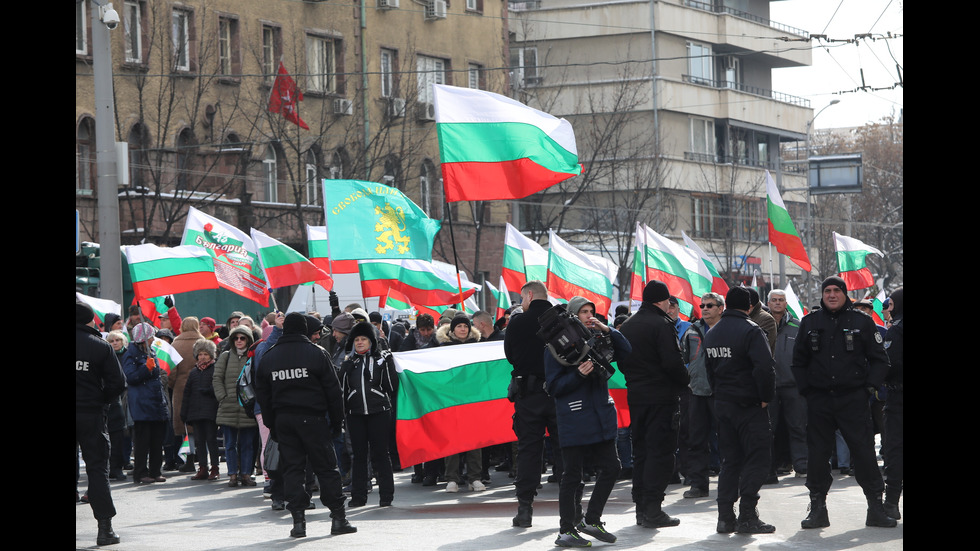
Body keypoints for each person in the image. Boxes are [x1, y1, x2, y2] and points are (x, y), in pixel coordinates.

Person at [791, 276, 896, 529]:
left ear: (845, 294)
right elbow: (798, 362)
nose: (831, 295)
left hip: (853, 399)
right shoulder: (809, 323)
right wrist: (807, 390)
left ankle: (875, 508)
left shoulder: (862, 322)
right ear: (822, 295)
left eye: (837, 290)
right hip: (819, 400)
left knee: (864, 453)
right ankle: (817, 508)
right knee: (817, 455)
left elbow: (880, 360)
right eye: (827, 291)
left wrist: (868, 388)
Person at [254, 312, 356, 538]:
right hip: (313, 419)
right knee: (327, 469)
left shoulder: (270, 357)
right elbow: (333, 391)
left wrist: (273, 424)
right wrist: (336, 422)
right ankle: (338, 518)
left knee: (293, 470)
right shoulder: (317, 353)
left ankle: (298, 522)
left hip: (284, 421)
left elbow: (263, 395)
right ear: (304, 329)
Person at [545, 297, 632, 547]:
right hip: (574, 418)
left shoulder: (598, 339)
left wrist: (608, 329)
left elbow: (627, 351)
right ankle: (566, 530)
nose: (588, 316)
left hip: (601, 416)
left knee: (613, 467)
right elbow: (554, 387)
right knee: (572, 475)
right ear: (572, 315)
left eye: (591, 311)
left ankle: (592, 520)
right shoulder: (554, 347)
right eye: (583, 312)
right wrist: (577, 375)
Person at [617, 280, 690, 528]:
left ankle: (642, 508)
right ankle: (653, 509)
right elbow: (672, 363)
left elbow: (622, 362)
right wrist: (685, 380)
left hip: (636, 397)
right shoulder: (662, 324)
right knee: (661, 453)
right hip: (661, 398)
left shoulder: (627, 326)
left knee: (641, 452)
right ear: (664, 301)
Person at [704, 287, 777, 534]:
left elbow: (709, 372)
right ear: (748, 307)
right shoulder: (752, 330)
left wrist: (720, 395)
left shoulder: (712, 334)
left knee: (730, 461)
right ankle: (747, 515)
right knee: (757, 458)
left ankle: (725, 517)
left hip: (724, 405)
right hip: (750, 406)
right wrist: (765, 398)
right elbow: (765, 368)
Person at [503, 281, 563, 528]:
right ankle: (573, 509)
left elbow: (510, 356)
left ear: (529, 295)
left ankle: (525, 508)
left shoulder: (518, 322)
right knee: (566, 449)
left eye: (522, 298)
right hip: (560, 393)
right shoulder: (561, 320)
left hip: (528, 395)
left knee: (529, 450)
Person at [77, 302, 126, 546]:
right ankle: (104, 529)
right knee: (97, 469)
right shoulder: (101, 347)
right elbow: (118, 384)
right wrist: (102, 402)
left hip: (91, 410)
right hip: (91, 414)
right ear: (88, 321)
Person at [339, 321, 398, 507]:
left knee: (381, 453)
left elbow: (392, 386)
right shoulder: (349, 362)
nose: (360, 342)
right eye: (356, 339)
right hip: (355, 413)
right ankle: (358, 496)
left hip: (379, 411)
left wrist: (387, 362)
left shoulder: (381, 359)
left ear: (371, 341)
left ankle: (386, 495)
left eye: (363, 339)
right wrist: (343, 372)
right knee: (359, 455)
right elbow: (341, 390)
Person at [680, 292, 725, 499]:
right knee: (697, 440)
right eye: (703, 305)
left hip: (723, 393)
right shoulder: (692, 330)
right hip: (697, 392)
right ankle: (698, 484)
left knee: (727, 439)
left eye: (710, 305)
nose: (705, 308)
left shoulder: (728, 329)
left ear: (720, 308)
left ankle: (728, 482)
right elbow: (682, 358)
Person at [436, 315, 486, 493]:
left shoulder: (477, 348)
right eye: (459, 326)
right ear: (452, 330)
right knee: (452, 439)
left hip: (472, 399)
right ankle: (452, 479)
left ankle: (475, 478)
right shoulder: (443, 349)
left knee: (474, 440)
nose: (463, 329)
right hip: (452, 400)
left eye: (466, 326)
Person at [122, 322, 170, 485]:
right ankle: (140, 473)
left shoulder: (152, 351)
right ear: (143, 339)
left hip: (156, 402)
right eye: (150, 337)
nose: (153, 340)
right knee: (142, 442)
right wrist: (145, 368)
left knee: (157, 440)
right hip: (142, 404)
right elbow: (130, 377)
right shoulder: (130, 354)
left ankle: (155, 471)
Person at [767, 290, 808, 479]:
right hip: (769, 387)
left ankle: (802, 465)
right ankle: (769, 467)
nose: (777, 303)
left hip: (793, 386)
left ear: (786, 303)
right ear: (768, 303)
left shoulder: (797, 326)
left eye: (781, 300)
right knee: (769, 428)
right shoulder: (760, 325)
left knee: (798, 427)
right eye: (774, 300)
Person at [213, 325, 260, 487]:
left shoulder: (253, 357)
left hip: (247, 408)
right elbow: (217, 378)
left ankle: (246, 474)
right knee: (230, 444)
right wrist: (223, 397)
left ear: (248, 339)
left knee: (247, 444)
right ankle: (232, 474)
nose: (239, 341)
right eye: (235, 338)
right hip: (229, 406)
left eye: (242, 338)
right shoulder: (225, 356)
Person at [180, 339, 221, 481]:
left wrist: (209, 391)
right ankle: (202, 467)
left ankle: (214, 467)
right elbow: (187, 393)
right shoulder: (193, 372)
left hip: (210, 411)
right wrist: (184, 412)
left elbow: (218, 388)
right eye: (200, 354)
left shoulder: (215, 369)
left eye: (205, 354)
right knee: (199, 441)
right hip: (195, 412)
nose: (202, 357)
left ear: (211, 355)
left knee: (211, 439)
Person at [169, 317, 205, 474]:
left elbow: (171, 372)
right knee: (203, 427)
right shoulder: (203, 343)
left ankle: (189, 460)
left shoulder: (175, 344)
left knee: (186, 428)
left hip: (181, 389)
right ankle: (204, 462)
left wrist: (173, 385)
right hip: (202, 387)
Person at [882, 288, 903, 520]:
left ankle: (891, 502)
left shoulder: (896, 331)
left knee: (895, 450)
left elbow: (889, 364)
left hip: (898, 398)